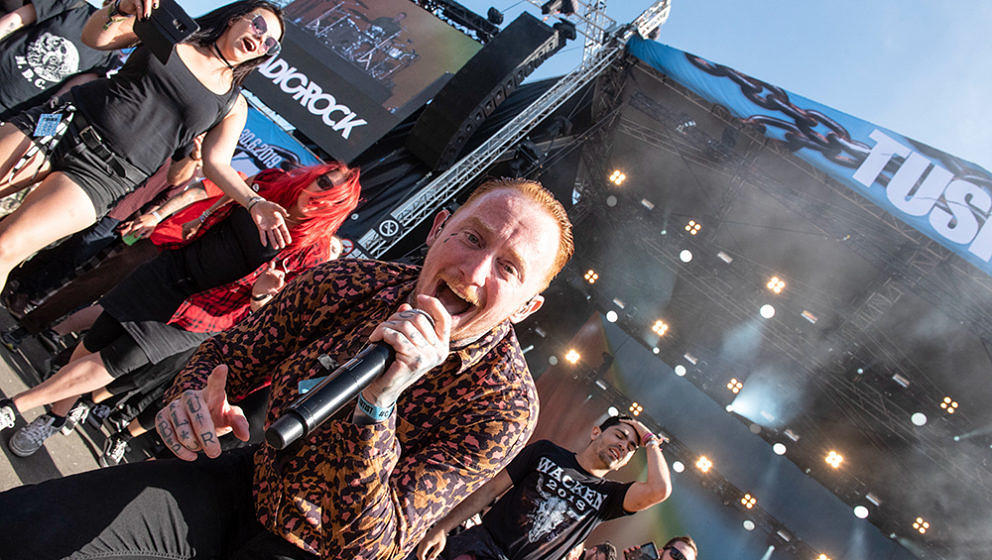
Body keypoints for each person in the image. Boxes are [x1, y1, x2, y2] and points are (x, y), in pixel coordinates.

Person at [0, 177, 573, 560]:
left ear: (526, 307)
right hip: (243, 481)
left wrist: (377, 407)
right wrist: (193, 397)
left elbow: (371, 546)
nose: (473, 273)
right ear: (437, 229)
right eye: (471, 238)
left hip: (310, 551)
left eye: (509, 268)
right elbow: (229, 355)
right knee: (32, 530)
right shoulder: (352, 282)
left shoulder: (503, 407)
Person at [0, 162, 360, 457]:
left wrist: (261, 296)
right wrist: (195, 222)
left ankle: (15, 406)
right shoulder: (270, 185)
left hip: (202, 314)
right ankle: (56, 417)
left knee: (113, 363)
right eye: (323, 182)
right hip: (168, 272)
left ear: (336, 212)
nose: (319, 196)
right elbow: (221, 192)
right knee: (94, 343)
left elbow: (266, 317)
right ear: (312, 176)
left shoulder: (312, 252)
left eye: (332, 198)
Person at [0, 0, 288, 294]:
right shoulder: (171, 34)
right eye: (259, 25)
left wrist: (253, 201)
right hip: (63, 124)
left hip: (102, 177)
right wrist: (121, 8)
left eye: (270, 44)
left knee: (5, 246)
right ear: (234, 19)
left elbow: (217, 164)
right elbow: (94, 38)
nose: (260, 39)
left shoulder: (233, 104)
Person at [416, 415, 673, 560]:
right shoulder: (547, 452)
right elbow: (490, 490)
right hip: (481, 547)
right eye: (619, 435)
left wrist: (648, 440)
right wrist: (443, 527)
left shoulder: (610, 497)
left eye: (630, 448)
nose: (623, 445)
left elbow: (659, 490)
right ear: (596, 432)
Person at [0, 0, 119, 119]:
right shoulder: (72, 4)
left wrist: (44, 125)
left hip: (11, 113)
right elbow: (14, 20)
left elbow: (65, 96)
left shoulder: (110, 52)